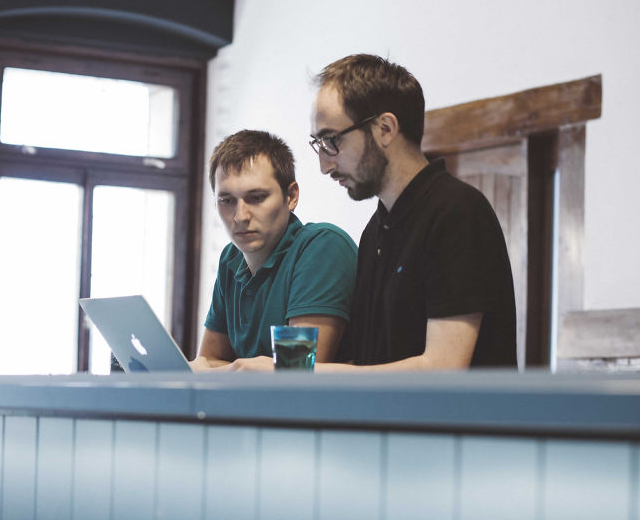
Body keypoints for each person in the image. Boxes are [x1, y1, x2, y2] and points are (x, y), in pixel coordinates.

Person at [307, 54, 517, 370]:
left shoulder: (457, 212)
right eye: (319, 144)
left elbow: (443, 368)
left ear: (385, 128)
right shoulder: (375, 230)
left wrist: (304, 374)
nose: (325, 165)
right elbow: (370, 365)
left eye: (331, 140)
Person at [191, 130, 358, 370]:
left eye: (256, 197)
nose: (240, 216)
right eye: (226, 200)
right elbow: (206, 360)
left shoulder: (322, 246)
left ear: (291, 196)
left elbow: (294, 373)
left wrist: (221, 370)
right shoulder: (231, 257)